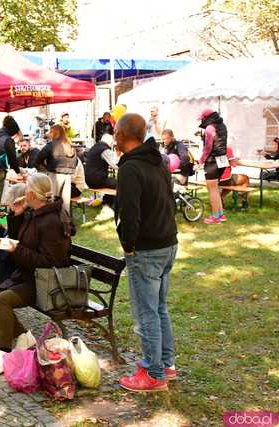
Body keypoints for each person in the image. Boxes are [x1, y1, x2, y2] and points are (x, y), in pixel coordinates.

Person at [113, 113, 178, 392]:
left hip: (148, 249)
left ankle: (154, 373)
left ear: (122, 135)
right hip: (167, 242)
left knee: (147, 312)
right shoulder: (158, 160)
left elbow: (130, 214)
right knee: (159, 308)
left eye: (116, 130)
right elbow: (168, 198)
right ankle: (166, 364)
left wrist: (129, 247)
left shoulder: (131, 168)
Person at [0, 173, 71, 376]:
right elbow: (20, 239)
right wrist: (17, 214)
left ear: (30, 194)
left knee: (2, 300)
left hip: (47, 284)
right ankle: (24, 335)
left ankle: (4, 355)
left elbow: (51, 262)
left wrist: (17, 250)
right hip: (29, 276)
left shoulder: (50, 221)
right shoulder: (35, 212)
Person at [34, 125, 87, 209]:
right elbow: (73, 164)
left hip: (55, 176)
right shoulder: (69, 146)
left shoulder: (51, 145)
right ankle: (65, 221)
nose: (49, 134)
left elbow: (37, 160)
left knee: (53, 202)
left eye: (50, 131)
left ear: (54, 133)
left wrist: (46, 168)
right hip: (68, 178)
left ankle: (54, 220)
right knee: (64, 205)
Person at [197, 109, 228, 224]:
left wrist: (201, 161)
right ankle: (221, 214)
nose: (202, 120)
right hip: (222, 159)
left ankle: (215, 217)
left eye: (203, 118)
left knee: (212, 189)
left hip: (212, 161)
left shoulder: (210, 128)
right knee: (216, 187)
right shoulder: (222, 126)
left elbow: (208, 148)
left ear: (207, 117)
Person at [85, 132, 118, 205]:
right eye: (112, 143)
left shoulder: (94, 147)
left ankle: (107, 200)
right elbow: (116, 164)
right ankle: (114, 203)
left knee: (111, 182)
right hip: (97, 180)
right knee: (120, 183)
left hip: (88, 180)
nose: (112, 145)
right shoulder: (104, 149)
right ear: (110, 142)